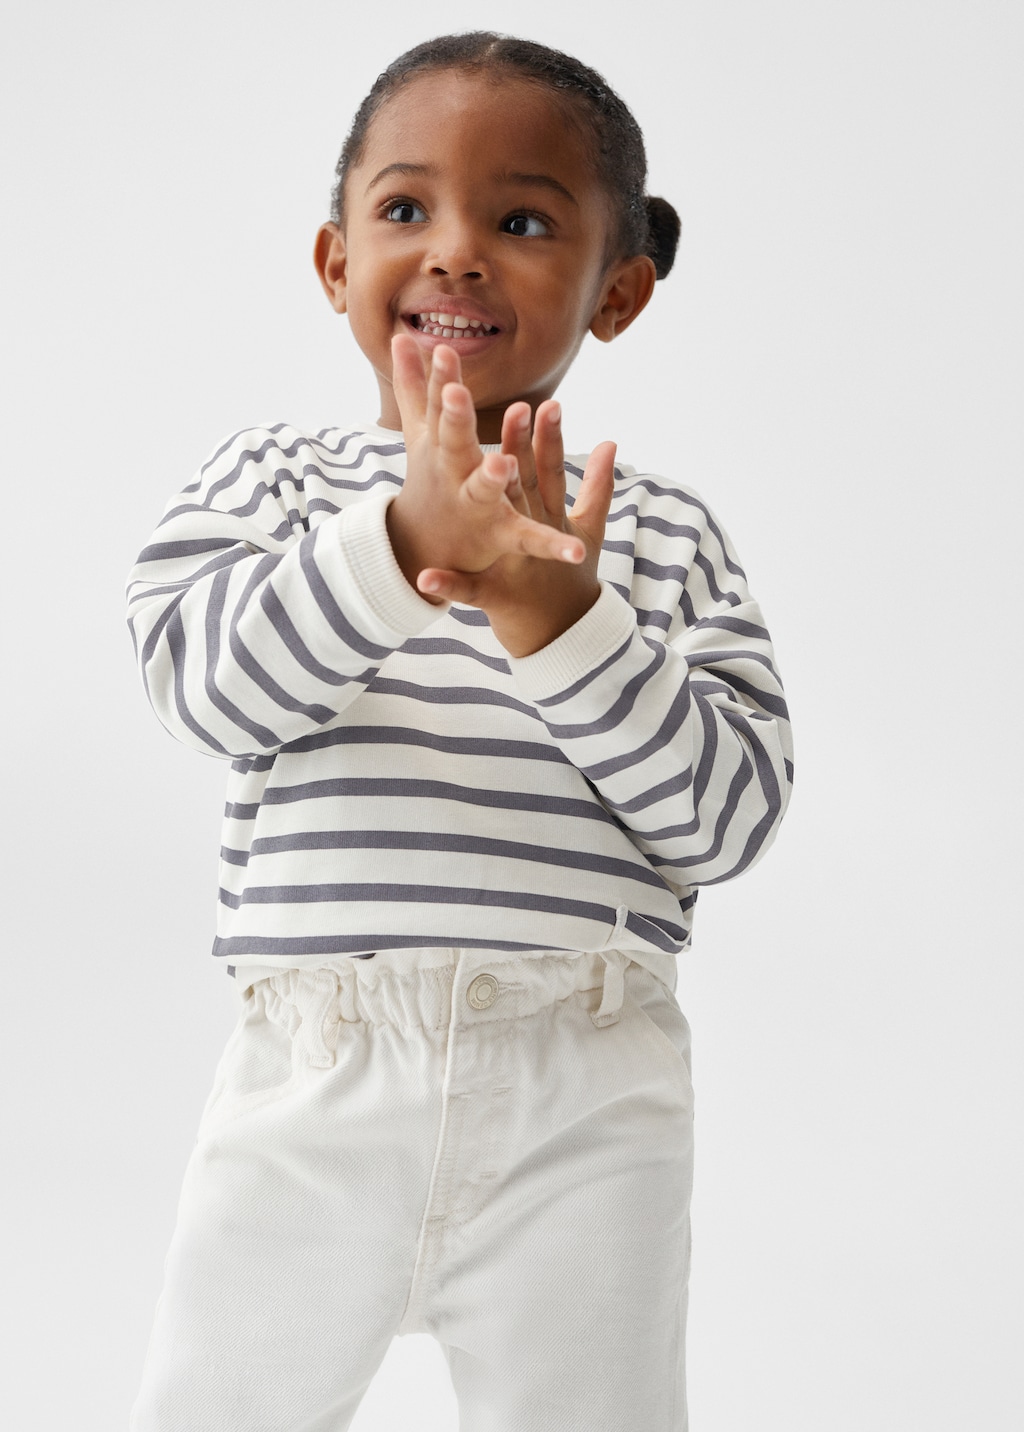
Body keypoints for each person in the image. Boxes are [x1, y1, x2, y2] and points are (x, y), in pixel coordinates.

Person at [125, 31, 793, 1432]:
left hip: (583, 1091)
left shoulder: (658, 531)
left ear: (620, 292)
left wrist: (565, 621)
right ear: (333, 262)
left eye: (525, 219)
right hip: (318, 1071)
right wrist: (401, 541)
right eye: (407, 209)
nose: (458, 252)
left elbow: (727, 819)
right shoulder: (278, 482)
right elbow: (205, 685)